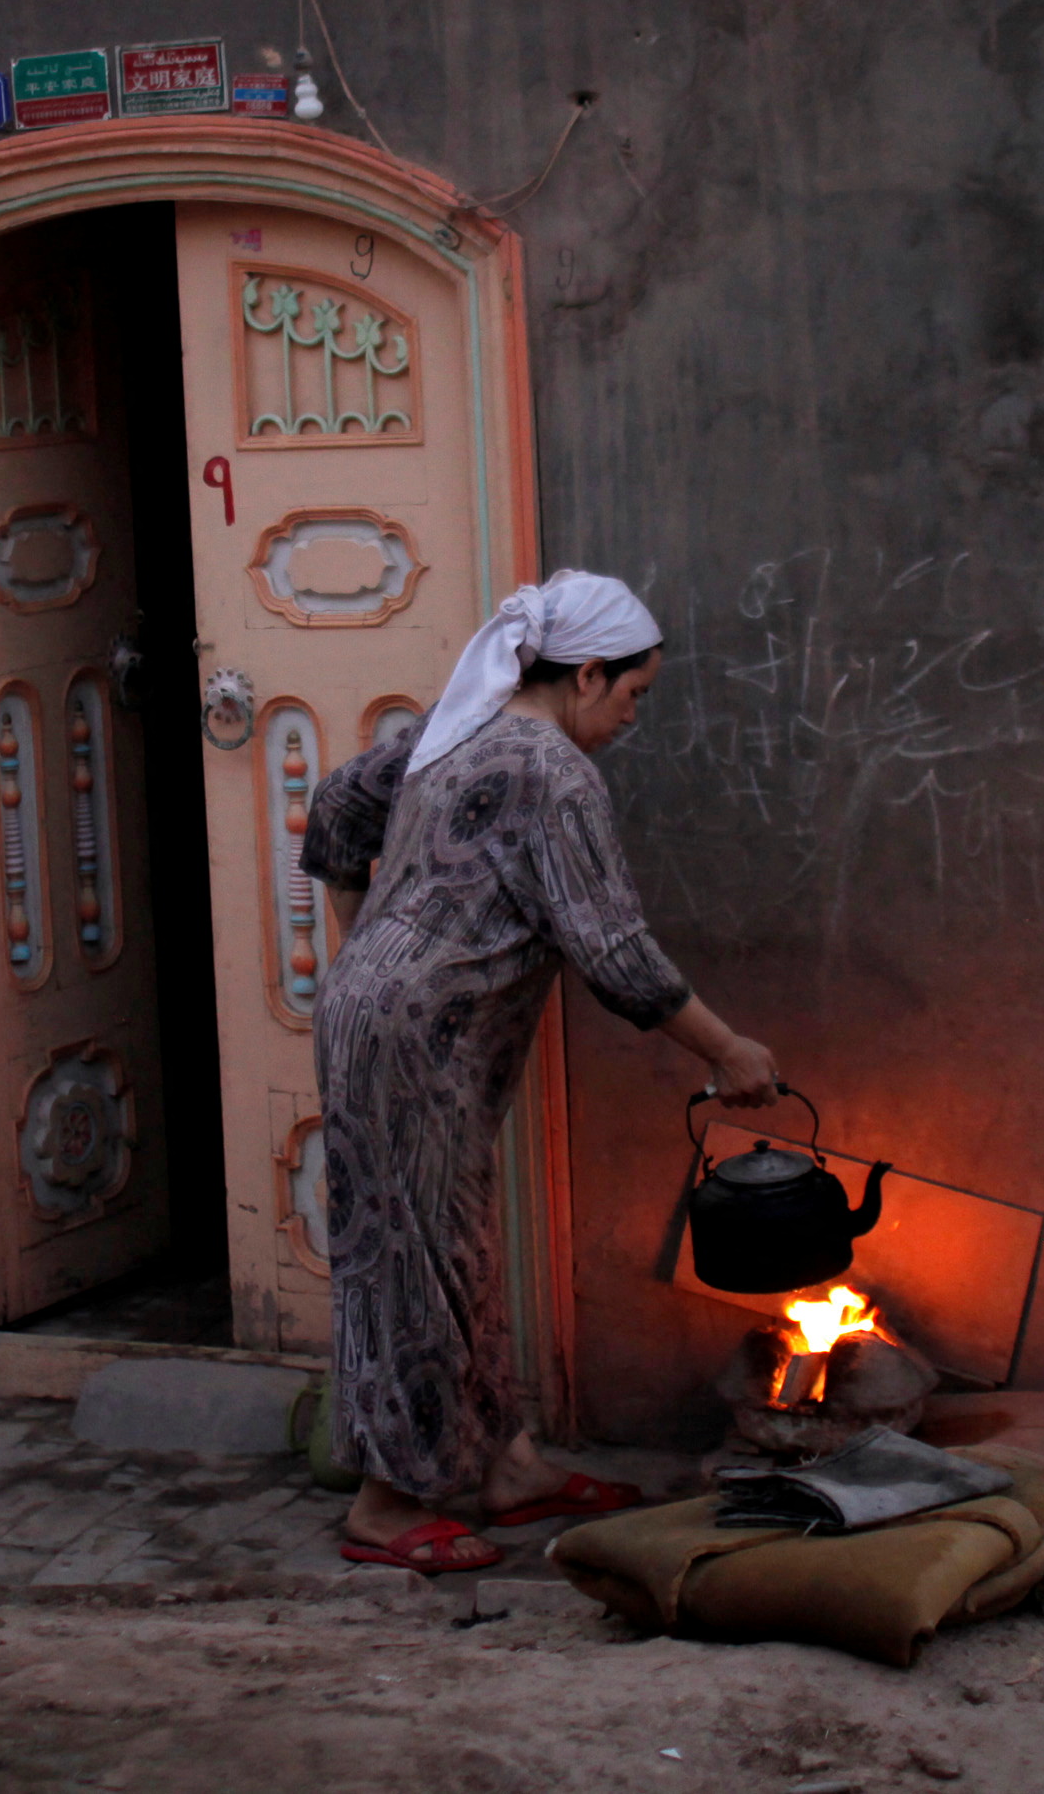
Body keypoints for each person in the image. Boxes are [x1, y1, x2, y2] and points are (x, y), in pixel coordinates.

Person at [299, 569, 782, 1576]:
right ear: (587, 673)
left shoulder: (461, 728)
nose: (632, 716)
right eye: (633, 694)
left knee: (457, 1251)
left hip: (403, 1028)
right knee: (411, 1260)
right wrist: (727, 1050)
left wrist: (369, 950)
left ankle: (506, 1464)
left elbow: (338, 802)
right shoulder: (550, 773)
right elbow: (612, 951)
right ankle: (386, 1508)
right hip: (411, 1038)